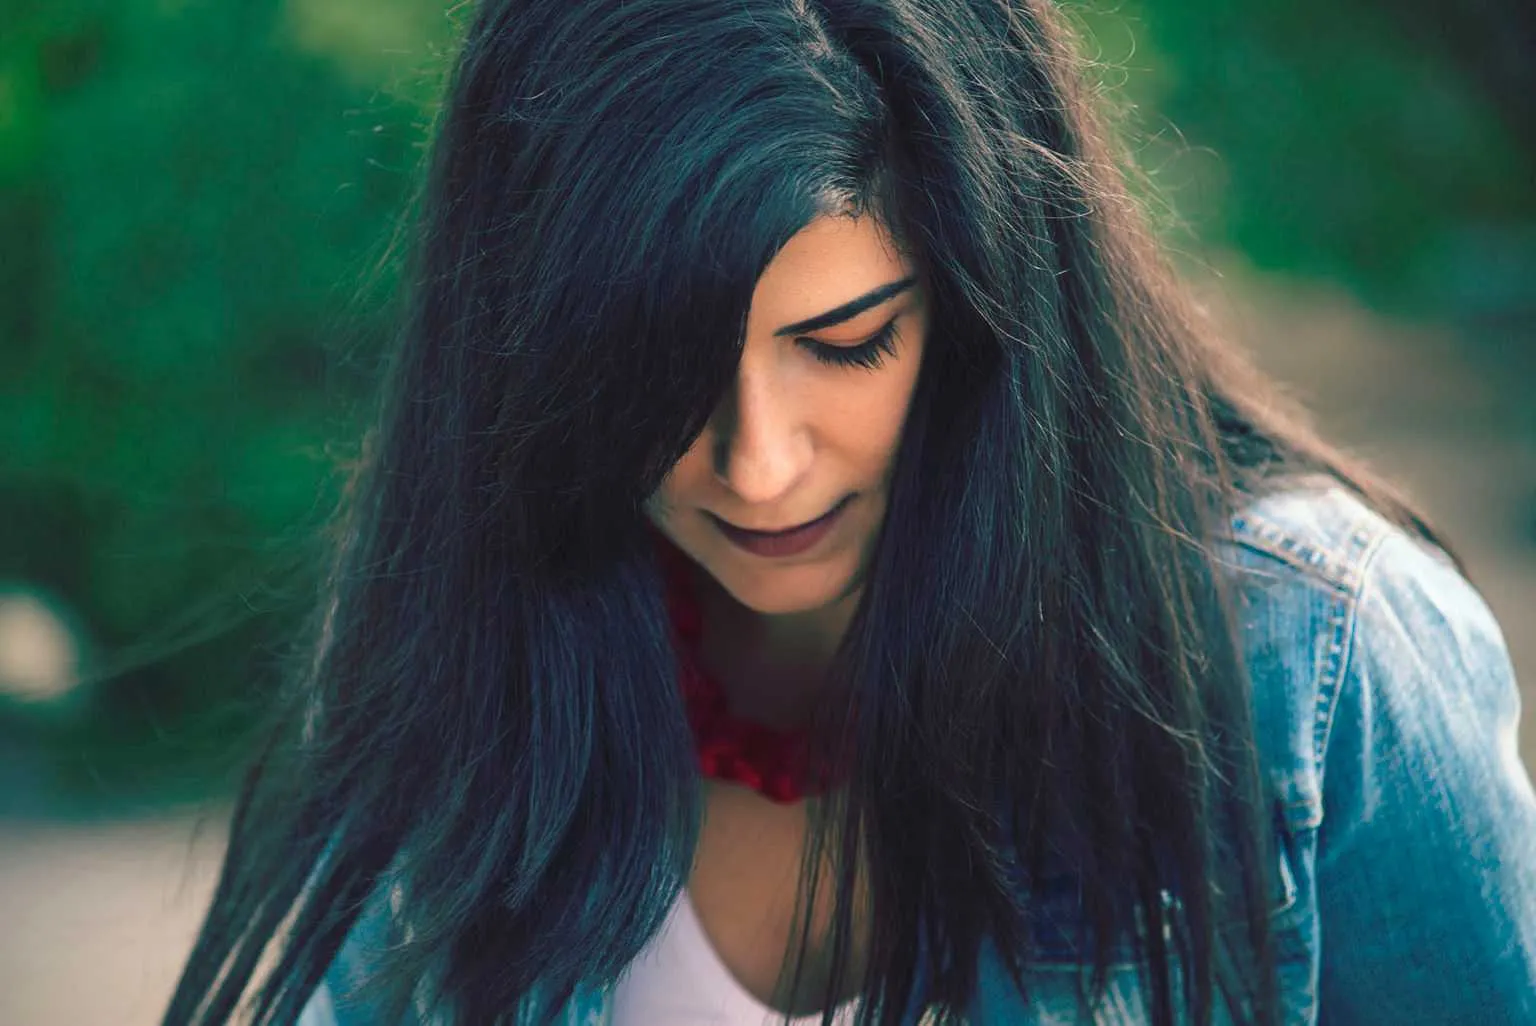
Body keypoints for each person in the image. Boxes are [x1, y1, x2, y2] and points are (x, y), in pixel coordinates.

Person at [163, 1, 1536, 1023]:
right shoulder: (463, 648)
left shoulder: (1321, 662)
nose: (756, 464)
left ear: (988, 297)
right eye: (657, 373)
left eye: (846, 342)